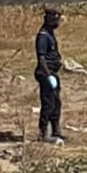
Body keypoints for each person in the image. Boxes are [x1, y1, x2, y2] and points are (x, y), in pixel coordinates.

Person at [35, 9, 65, 143]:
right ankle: (43, 134)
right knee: (48, 104)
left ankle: (56, 131)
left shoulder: (50, 34)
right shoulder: (43, 36)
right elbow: (41, 58)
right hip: (46, 73)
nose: (58, 22)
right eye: (56, 19)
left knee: (56, 103)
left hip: (53, 72)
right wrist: (48, 76)